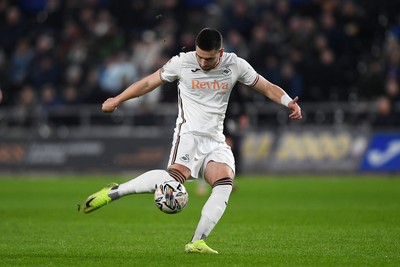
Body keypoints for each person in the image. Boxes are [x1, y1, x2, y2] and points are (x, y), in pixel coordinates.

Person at [81, 28, 302, 254]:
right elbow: (148, 83)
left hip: (216, 138)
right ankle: (114, 192)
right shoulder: (182, 62)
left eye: (209, 58)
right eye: (200, 56)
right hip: (188, 135)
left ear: (221, 52)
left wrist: (288, 102)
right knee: (173, 181)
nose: (203, 62)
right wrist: (117, 99)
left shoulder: (235, 65)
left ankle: (197, 241)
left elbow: (265, 86)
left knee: (225, 183)